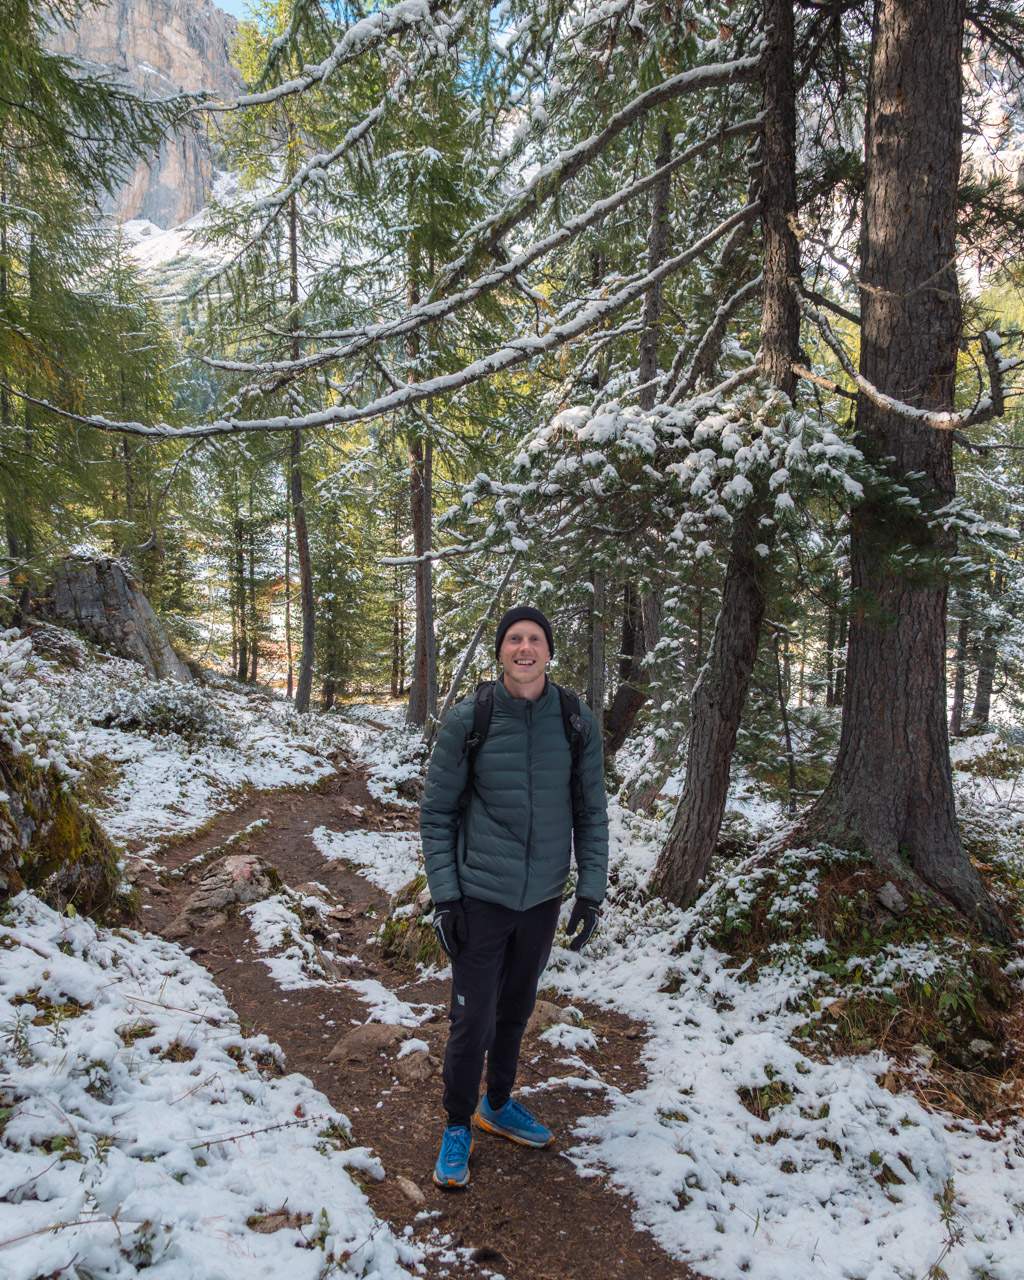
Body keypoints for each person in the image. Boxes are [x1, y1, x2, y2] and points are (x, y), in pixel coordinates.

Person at [420, 605, 609, 1189]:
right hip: (480, 896)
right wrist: (446, 898)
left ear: (548, 651)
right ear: (501, 650)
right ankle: (458, 1123)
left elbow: (591, 811)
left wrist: (590, 893)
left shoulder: (575, 720)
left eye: (534, 639)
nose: (524, 648)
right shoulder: (469, 719)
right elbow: (436, 813)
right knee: (471, 1018)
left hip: (542, 898)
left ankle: (497, 1103)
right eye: (514, 639)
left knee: (516, 1009)